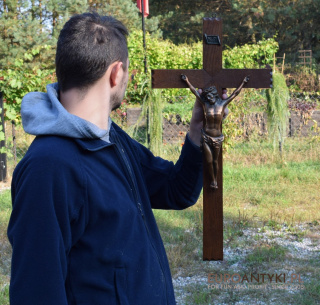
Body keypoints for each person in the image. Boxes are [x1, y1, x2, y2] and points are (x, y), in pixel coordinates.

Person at [7, 12, 228, 305]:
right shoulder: (48, 167)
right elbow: (36, 292)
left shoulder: (112, 139)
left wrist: (198, 132)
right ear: (116, 73)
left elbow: (177, 191)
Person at [181, 74, 248, 189]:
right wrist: (187, 80)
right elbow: (195, 92)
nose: (209, 99)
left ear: (215, 95)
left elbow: (235, 94)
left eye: (210, 96)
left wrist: (244, 82)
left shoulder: (222, 104)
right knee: (208, 160)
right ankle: (212, 181)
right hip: (206, 137)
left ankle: (215, 180)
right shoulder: (205, 104)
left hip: (217, 138)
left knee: (215, 161)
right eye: (207, 97)